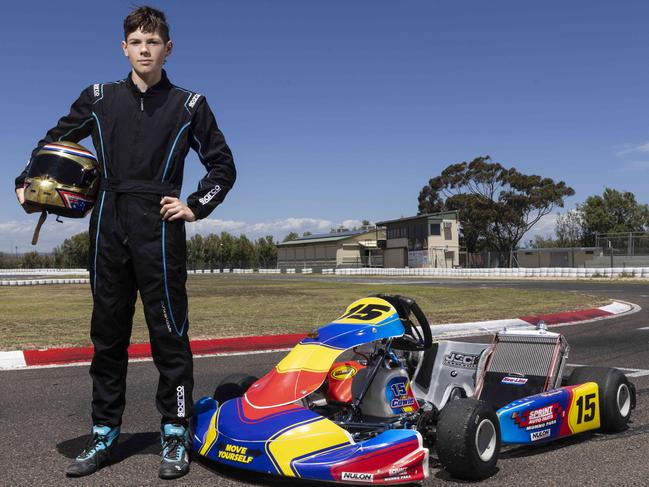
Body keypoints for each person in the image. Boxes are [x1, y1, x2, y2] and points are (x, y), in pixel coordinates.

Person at [14, 6, 236, 480]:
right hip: (108, 226)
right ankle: (103, 434)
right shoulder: (99, 98)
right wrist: (24, 181)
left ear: (167, 48)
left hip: (159, 227)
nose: (144, 50)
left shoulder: (189, 104)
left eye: (152, 42)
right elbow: (52, 142)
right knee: (107, 339)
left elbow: (223, 167)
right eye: (136, 42)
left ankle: (174, 433)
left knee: (170, 337)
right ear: (124, 48)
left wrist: (195, 205)